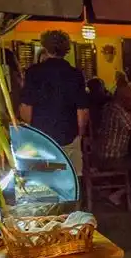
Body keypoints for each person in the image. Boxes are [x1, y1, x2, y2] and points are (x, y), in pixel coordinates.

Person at [19, 30, 88, 174]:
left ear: (45, 47)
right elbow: (82, 111)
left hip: (41, 137)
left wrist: (33, 127)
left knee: (45, 181)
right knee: (71, 179)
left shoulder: (33, 72)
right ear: (67, 49)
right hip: (68, 135)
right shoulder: (75, 74)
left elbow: (26, 108)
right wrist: (79, 135)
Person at [96, 85, 131, 205]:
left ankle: (113, 191)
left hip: (101, 154)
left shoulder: (108, 107)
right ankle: (123, 196)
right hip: (112, 157)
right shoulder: (119, 111)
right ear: (123, 99)